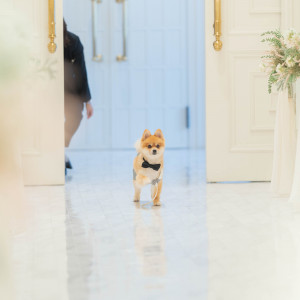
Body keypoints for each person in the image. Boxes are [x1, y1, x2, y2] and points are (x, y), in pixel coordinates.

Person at [63, 20, 93, 174]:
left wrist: (87, 101)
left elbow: (81, 72)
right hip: (47, 87)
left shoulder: (74, 42)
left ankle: (59, 148)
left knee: (76, 116)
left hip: (70, 89)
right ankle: (58, 154)